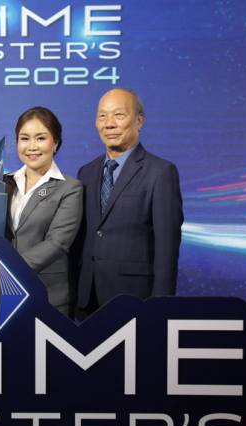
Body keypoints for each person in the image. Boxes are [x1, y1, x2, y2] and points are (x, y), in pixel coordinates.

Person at [74, 88, 183, 318]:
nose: (109, 124)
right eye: (102, 116)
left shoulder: (161, 173)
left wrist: (160, 308)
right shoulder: (86, 172)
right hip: (87, 301)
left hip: (135, 300)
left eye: (119, 115)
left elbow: (167, 250)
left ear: (139, 120)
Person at [5, 107, 83, 316]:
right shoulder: (3, 183)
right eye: (24, 138)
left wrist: (6, 269)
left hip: (47, 295)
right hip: (1, 296)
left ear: (55, 143)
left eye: (40, 138)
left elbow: (57, 243)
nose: (32, 146)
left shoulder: (70, 188)